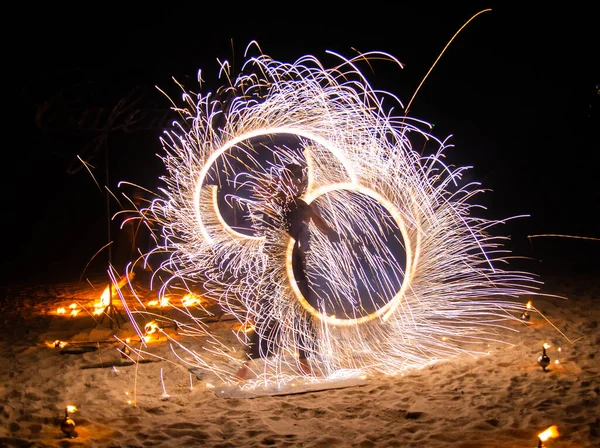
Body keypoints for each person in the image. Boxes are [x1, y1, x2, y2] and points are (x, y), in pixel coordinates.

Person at [235, 162, 337, 381]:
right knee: (268, 315)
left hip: (296, 265)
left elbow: (327, 231)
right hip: (276, 265)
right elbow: (267, 231)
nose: (292, 183)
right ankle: (247, 365)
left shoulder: (303, 205)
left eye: (296, 180)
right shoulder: (274, 204)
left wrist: (320, 218)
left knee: (304, 314)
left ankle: (304, 361)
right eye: (287, 179)